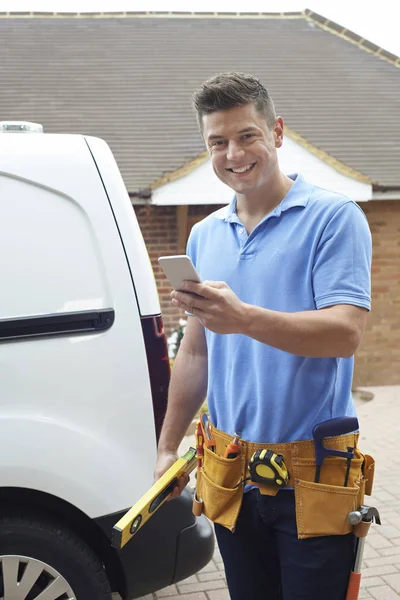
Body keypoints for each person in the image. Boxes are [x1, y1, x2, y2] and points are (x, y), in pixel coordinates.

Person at [154, 72, 372, 600]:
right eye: (218, 142)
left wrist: (246, 318)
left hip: (312, 476)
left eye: (247, 135)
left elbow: (344, 333)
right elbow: (197, 351)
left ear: (276, 132)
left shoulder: (333, 218)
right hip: (230, 473)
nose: (234, 153)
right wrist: (166, 446)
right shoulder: (204, 235)